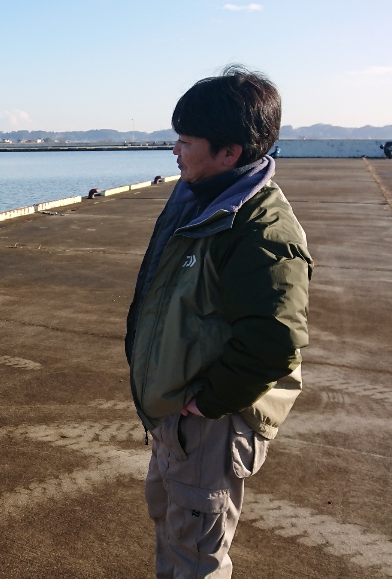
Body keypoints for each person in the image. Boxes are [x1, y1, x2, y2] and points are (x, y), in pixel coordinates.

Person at [124, 66, 312, 578]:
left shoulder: (260, 230)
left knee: (196, 556)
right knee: (174, 534)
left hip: (210, 425)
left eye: (186, 142)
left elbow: (273, 343)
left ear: (230, 153)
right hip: (179, 417)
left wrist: (207, 403)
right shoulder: (200, 199)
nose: (175, 151)